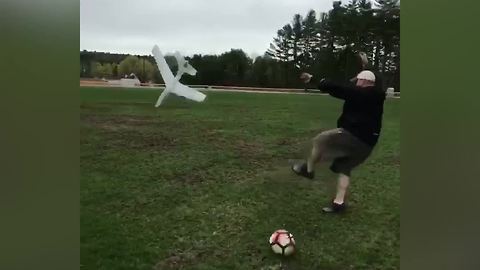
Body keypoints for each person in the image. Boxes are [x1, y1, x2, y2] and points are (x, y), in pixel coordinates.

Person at [293, 62, 386, 213]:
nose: (357, 82)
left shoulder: (366, 94)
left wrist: (316, 80)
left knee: (321, 139)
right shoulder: (374, 94)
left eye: (359, 80)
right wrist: (365, 65)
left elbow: (339, 89)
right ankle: (339, 203)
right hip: (367, 145)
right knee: (345, 168)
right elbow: (344, 90)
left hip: (355, 136)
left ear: (367, 82)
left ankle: (308, 169)